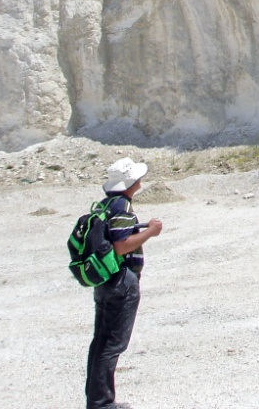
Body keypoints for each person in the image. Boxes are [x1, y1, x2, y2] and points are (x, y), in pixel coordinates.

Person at [86, 157, 163, 409]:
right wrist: (151, 231)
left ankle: (98, 399)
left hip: (107, 279)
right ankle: (102, 403)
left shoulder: (106, 204)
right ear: (132, 182)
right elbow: (121, 246)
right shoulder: (121, 206)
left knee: (102, 340)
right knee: (112, 343)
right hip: (121, 279)